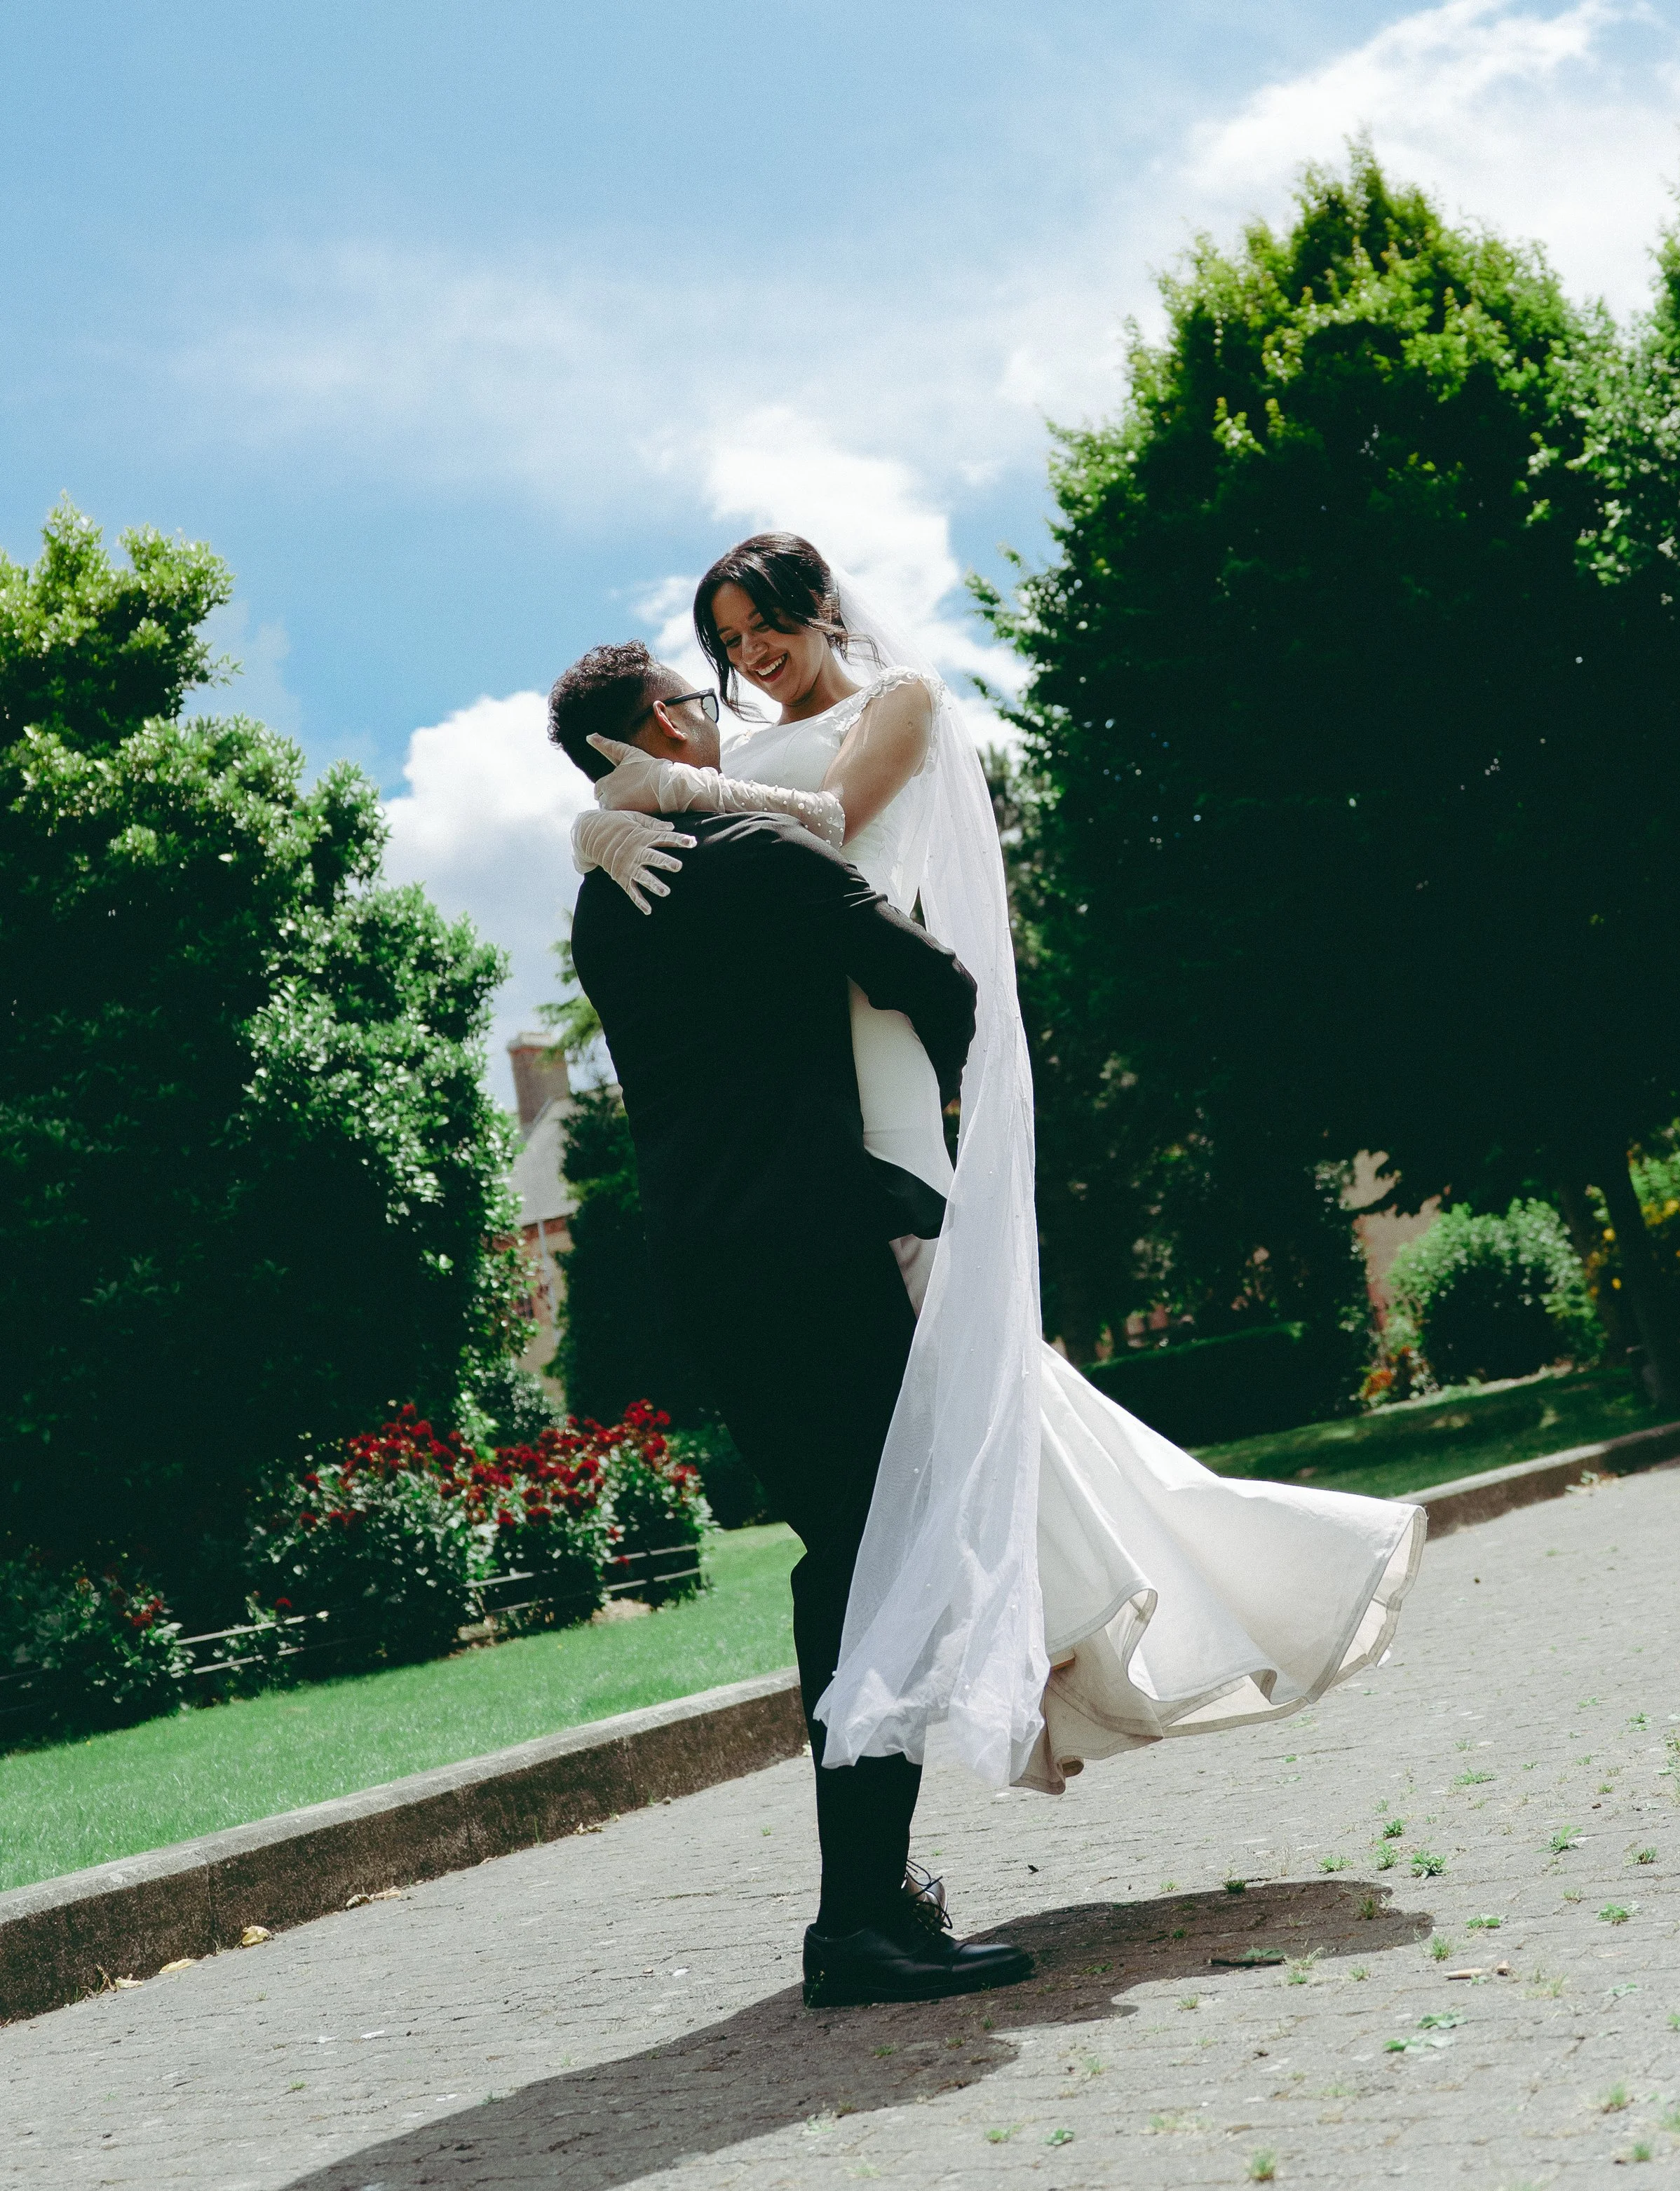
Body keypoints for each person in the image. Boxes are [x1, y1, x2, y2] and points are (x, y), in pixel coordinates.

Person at [573, 534, 1426, 1803]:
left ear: (819, 610)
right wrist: (602, 822)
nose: (750, 657)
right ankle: (1084, 1606)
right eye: (728, 643)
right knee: (953, 1393)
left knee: (944, 1372)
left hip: (876, 1038)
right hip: (797, 1054)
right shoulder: (728, 754)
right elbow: (693, 833)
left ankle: (1114, 1607)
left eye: (765, 628)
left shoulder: (898, 704)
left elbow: (830, 825)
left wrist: (675, 797)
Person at [553, 641, 1034, 2008]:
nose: (718, 714)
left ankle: (868, 1902)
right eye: (697, 700)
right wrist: (953, 1149)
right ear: (658, 721)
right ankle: (860, 1916)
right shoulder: (770, 866)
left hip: (698, 1270)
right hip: (824, 1247)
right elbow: (938, 984)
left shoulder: (604, 901)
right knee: (878, 1556)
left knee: (842, 1549)